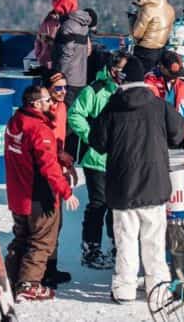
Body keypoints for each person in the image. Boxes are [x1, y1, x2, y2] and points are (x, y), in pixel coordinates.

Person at [89, 58, 184, 304]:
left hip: (123, 187)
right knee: (154, 242)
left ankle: (124, 290)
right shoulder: (158, 105)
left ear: (123, 79)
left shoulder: (112, 107)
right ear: (143, 79)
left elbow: (97, 142)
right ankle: (159, 290)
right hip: (154, 184)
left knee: (126, 242)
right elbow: (178, 133)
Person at [4, 85, 79, 301]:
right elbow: (48, 168)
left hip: (18, 193)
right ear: (36, 104)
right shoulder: (38, 128)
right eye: (47, 100)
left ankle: (9, 277)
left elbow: (35, 154)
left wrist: (59, 155)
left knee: (22, 237)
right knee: (42, 240)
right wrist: (66, 192)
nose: (51, 103)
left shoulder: (15, 121)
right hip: (38, 195)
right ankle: (29, 284)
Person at [67, 53, 125, 270]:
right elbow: (75, 114)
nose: (123, 76)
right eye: (119, 70)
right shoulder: (96, 89)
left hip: (120, 158)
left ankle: (116, 246)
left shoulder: (128, 90)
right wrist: (91, 136)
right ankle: (91, 248)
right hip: (97, 159)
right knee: (98, 204)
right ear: (111, 70)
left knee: (117, 206)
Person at [44, 72, 76, 289]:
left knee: (58, 223)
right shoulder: (45, 112)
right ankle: (42, 269)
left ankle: (51, 267)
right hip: (48, 171)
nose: (63, 92)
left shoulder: (63, 108)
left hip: (60, 166)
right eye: (58, 89)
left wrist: (67, 163)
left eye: (65, 88)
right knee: (48, 222)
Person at [129, 0, 175, 74]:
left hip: (144, 51)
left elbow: (136, 34)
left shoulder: (148, 9)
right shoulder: (170, 9)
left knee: (138, 78)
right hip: (160, 51)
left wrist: (132, 18)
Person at [51, 7, 92, 108]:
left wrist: (60, 76)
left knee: (64, 110)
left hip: (68, 79)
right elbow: (85, 50)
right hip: (80, 78)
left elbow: (66, 54)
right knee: (75, 112)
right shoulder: (84, 25)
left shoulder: (67, 25)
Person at [35, 0, 78, 74]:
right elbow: (39, 40)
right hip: (56, 67)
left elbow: (39, 40)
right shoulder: (74, 23)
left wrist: (40, 55)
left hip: (54, 66)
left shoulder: (48, 21)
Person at [145, 51, 184, 119]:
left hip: (176, 125)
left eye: (176, 74)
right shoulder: (150, 82)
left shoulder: (181, 84)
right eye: (171, 74)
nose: (174, 77)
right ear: (161, 67)